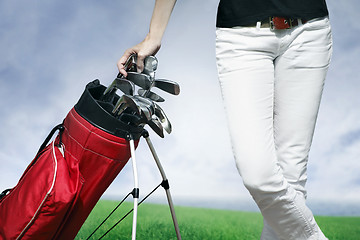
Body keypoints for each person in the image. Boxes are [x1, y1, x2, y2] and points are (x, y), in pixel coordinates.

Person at [118, 0, 333, 239]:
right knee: (258, 175)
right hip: (243, 40)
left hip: (310, 33)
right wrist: (153, 35)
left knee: (291, 182)